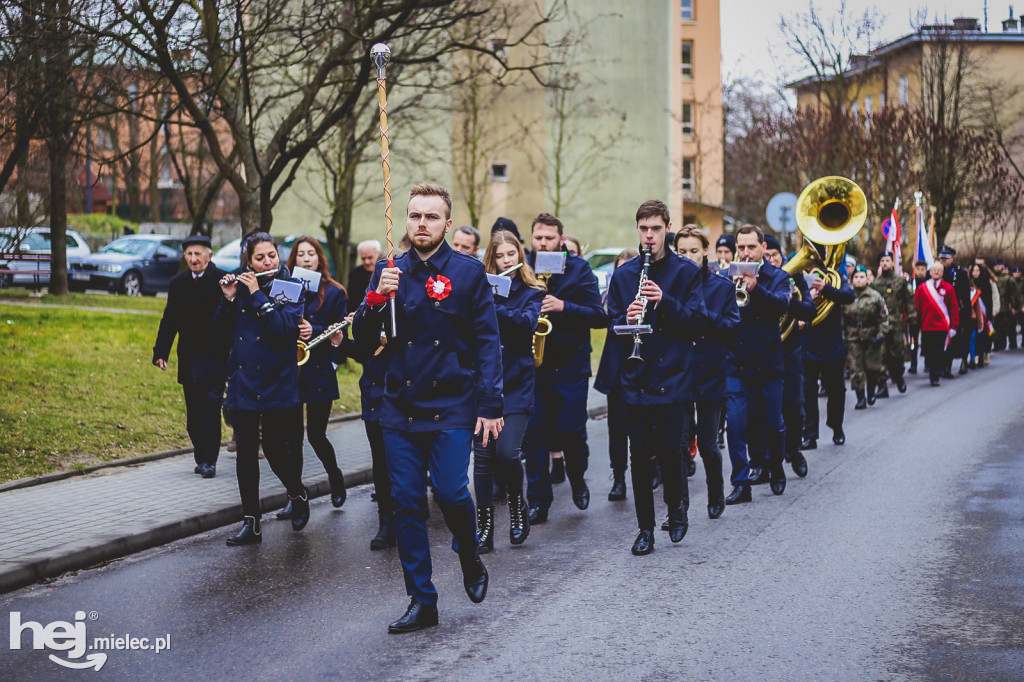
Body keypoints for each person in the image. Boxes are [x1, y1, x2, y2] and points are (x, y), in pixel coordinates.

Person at [352, 182, 500, 633]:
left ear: (446, 223)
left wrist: (491, 404)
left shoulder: (470, 273)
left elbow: (487, 342)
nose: (421, 224)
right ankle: (422, 600)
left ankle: (470, 554)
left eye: (431, 217)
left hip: (454, 401)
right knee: (407, 503)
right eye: (415, 215)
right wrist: (376, 298)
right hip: (397, 404)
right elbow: (361, 340)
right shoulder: (388, 269)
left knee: (452, 491)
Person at [596, 201, 705, 555]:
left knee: (672, 452)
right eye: (643, 228)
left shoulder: (686, 272)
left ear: (668, 229)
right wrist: (626, 319)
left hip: (672, 377)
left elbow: (698, 322)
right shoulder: (625, 275)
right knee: (640, 455)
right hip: (636, 376)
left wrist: (665, 301)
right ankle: (644, 529)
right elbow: (611, 326)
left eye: (656, 229)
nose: (649, 236)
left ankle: (676, 510)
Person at [215, 233, 312, 545]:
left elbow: (283, 328)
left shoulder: (290, 286)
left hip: (276, 380)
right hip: (243, 380)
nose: (268, 262)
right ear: (249, 261)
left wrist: (257, 294)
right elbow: (220, 332)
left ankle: (297, 493)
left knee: (273, 447)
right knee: (245, 452)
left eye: (272, 255)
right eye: (260, 258)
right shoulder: (240, 287)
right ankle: (251, 523)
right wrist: (229, 299)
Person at [522, 212, 606, 523]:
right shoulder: (522, 267)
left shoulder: (579, 269)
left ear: (560, 238)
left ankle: (578, 480)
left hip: (570, 368)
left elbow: (599, 316)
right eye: (538, 238)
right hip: (535, 368)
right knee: (534, 435)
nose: (542, 243)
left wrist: (563, 306)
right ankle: (539, 501)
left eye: (548, 238)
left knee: (571, 431)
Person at [473, 230, 545, 552]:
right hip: (485, 384)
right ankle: (484, 527)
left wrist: (492, 307)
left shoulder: (532, 291)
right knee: (484, 458)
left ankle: (518, 506)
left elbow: (526, 323)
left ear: (519, 256)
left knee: (507, 453)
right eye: (500, 256)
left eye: (511, 255)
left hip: (516, 384)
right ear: (492, 258)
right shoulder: (479, 287)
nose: (505, 261)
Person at [274, 236, 349, 520]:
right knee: (291, 439)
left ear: (320, 258)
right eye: (300, 254)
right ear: (293, 260)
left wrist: (313, 329)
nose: (306, 259)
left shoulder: (334, 292)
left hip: (319, 371)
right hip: (291, 372)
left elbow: (340, 331)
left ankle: (335, 476)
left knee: (316, 435)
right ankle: (295, 495)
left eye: (311, 253)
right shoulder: (285, 288)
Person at [723, 225, 791, 505]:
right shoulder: (727, 276)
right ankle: (741, 482)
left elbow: (781, 306)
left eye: (751, 247)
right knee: (736, 424)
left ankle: (775, 466)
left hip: (768, 364)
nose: (746, 252)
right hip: (736, 363)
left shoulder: (778, 276)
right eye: (741, 247)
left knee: (773, 424)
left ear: (763, 248)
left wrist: (756, 288)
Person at [674, 226, 740, 516]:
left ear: (705, 253)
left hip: (710, 372)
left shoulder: (721, 287)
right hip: (677, 373)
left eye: (693, 251)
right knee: (676, 445)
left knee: (709, 444)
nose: (687, 257)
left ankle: (716, 493)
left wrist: (706, 316)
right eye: (681, 252)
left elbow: (732, 329)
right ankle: (679, 507)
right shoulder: (669, 285)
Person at [152, 235, 228, 478]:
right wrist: (160, 352)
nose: (193, 259)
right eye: (189, 254)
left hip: (216, 357)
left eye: (198, 254)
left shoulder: (222, 280)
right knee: (193, 416)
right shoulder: (178, 283)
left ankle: (210, 461)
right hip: (189, 358)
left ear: (210, 256)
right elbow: (169, 319)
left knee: (211, 409)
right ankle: (200, 455)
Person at [763, 236, 815, 478]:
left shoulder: (795, 278)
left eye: (775, 255)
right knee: (765, 412)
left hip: (790, 353)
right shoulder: (757, 279)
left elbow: (810, 311)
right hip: (763, 353)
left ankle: (794, 451)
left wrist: (790, 300)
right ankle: (767, 461)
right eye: (768, 255)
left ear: (782, 256)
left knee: (794, 408)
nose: (772, 259)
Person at [800, 252, 855, 449]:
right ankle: (811, 434)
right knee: (808, 392)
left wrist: (826, 288)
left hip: (832, 345)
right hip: (807, 344)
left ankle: (836, 427)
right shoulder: (798, 277)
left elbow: (849, 296)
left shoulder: (835, 277)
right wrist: (808, 299)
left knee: (836, 390)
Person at [598, 247, 638, 501]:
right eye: (618, 270)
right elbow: (608, 318)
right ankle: (619, 477)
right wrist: (627, 314)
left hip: (643, 367)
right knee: (617, 428)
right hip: (617, 368)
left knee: (644, 426)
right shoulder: (611, 293)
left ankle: (650, 467)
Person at [870, 252, 916, 396]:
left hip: (896, 323)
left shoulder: (900, 281)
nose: (885, 263)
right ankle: (882, 385)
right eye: (882, 261)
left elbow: (908, 300)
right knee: (881, 354)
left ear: (892, 262)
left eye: (887, 260)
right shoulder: (875, 283)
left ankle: (898, 376)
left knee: (896, 353)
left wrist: (912, 315)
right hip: (881, 324)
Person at [843, 267, 889, 409]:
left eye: (862, 277)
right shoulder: (846, 296)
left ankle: (871, 392)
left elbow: (883, 318)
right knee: (856, 369)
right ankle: (860, 398)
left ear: (867, 279)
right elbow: (841, 319)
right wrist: (843, 337)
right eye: (856, 277)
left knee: (872, 368)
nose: (859, 280)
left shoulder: (875, 296)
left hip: (872, 336)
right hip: (853, 337)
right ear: (851, 280)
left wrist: (881, 335)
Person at [915, 261, 960, 386]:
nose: (936, 272)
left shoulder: (948, 288)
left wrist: (954, 327)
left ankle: (935, 376)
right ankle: (933, 371)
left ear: (942, 273)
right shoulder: (923, 288)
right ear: (929, 272)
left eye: (938, 270)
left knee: (938, 352)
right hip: (926, 326)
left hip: (942, 327)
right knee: (928, 353)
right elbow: (916, 307)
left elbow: (954, 309)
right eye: (934, 270)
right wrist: (915, 323)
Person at [938, 245, 970, 377]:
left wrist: (966, 312)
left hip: (956, 311)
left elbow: (965, 294)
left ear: (952, 258)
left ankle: (952, 365)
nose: (944, 261)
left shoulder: (960, 273)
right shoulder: (936, 271)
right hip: (940, 311)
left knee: (954, 339)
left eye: (946, 258)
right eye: (942, 258)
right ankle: (941, 366)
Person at [992, 260, 1020, 351]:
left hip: (1006, 306)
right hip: (998, 305)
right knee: (998, 326)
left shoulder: (1008, 279)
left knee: (1008, 326)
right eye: (995, 265)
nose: (997, 267)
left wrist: (1014, 305)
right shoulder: (993, 278)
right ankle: (1000, 344)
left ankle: (1010, 343)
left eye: (999, 265)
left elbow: (1013, 293)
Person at [347, 240, 382, 314]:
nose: (367, 262)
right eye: (363, 258)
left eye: (370, 258)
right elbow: (352, 303)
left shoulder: (385, 271)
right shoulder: (354, 275)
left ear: (378, 255)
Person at [966, 263, 990, 369]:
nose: (975, 273)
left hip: (983, 313)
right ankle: (973, 357)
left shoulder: (985, 283)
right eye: (973, 271)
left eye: (977, 270)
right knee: (973, 337)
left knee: (982, 336)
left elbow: (989, 300)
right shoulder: (968, 284)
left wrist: (989, 314)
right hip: (973, 315)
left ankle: (981, 355)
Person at [908, 260, 928, 374]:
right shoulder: (911, 283)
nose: (920, 272)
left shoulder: (929, 283)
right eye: (918, 269)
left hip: (925, 316)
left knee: (926, 340)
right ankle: (913, 363)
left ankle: (927, 363)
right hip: (913, 316)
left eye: (922, 269)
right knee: (913, 341)